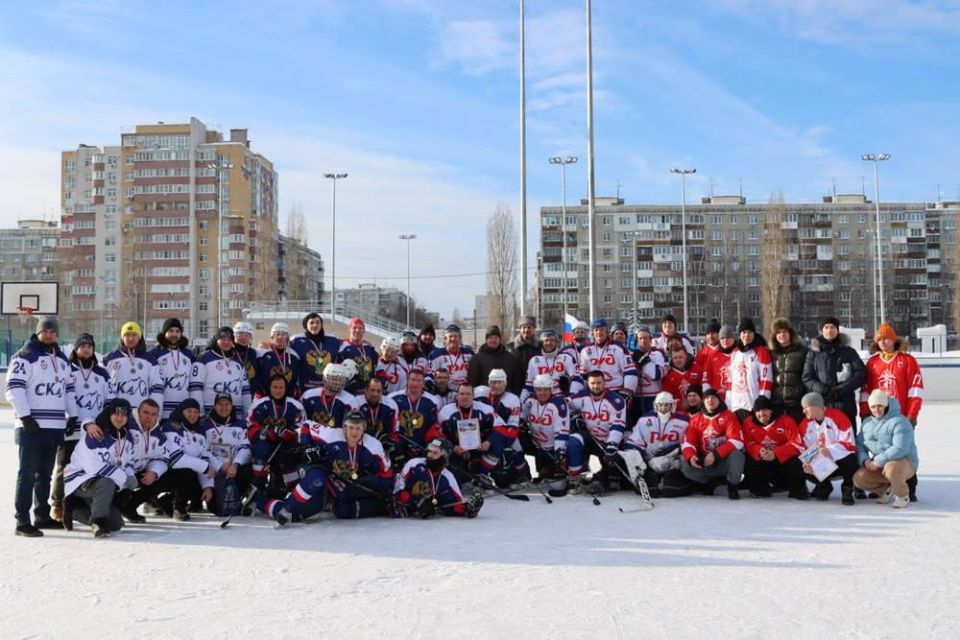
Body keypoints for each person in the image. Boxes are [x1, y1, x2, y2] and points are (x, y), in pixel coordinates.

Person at [5, 316, 73, 536]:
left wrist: (72, 416)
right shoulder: (25, 356)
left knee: (45, 475)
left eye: (53, 332)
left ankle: (42, 516)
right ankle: (22, 521)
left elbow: (69, 391)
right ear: (38, 332)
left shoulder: (62, 359)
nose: (49, 335)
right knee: (27, 473)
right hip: (31, 426)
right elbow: (14, 388)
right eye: (45, 331)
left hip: (54, 426)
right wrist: (25, 417)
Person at [264, 412, 394, 525]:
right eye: (351, 427)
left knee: (299, 516)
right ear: (344, 427)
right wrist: (307, 446)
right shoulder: (331, 435)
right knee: (317, 479)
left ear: (364, 429)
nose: (354, 432)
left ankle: (263, 502)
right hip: (320, 472)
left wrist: (388, 492)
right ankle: (285, 508)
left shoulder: (373, 446)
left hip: (342, 486)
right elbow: (307, 425)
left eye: (358, 428)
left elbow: (386, 473)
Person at [860, 322, 924, 501]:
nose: (883, 342)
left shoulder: (907, 360)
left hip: (901, 417)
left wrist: (912, 415)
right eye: (880, 339)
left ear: (894, 339)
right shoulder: (872, 363)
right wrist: (865, 412)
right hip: (878, 418)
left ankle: (910, 487)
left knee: (904, 449)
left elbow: (915, 390)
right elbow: (866, 390)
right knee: (879, 449)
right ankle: (882, 486)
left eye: (886, 338)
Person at [52, 333, 109, 523]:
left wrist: (101, 423)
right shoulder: (67, 370)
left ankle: (81, 504)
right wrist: (69, 418)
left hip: (94, 431)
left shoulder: (102, 373)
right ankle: (58, 504)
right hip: (72, 428)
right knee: (64, 466)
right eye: (82, 346)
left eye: (89, 346)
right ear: (76, 349)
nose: (86, 349)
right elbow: (61, 397)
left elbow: (109, 401)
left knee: (91, 467)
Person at [61, 399, 137, 537]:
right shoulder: (95, 433)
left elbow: (128, 462)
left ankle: (75, 510)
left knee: (116, 525)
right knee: (107, 482)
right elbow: (94, 467)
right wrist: (124, 478)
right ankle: (98, 522)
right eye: (116, 414)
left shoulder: (127, 437)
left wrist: (131, 475)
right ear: (109, 414)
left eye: (124, 415)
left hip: (103, 483)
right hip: (81, 479)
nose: (120, 418)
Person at [120, 398, 182, 524]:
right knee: (113, 520)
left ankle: (130, 506)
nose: (149, 417)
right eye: (146, 413)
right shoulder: (126, 426)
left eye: (153, 414)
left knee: (164, 478)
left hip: (139, 471)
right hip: (122, 471)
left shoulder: (158, 433)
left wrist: (154, 472)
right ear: (138, 411)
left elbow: (162, 458)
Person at [854, 390, 918, 509]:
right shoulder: (867, 423)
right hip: (880, 463)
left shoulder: (900, 421)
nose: (876, 410)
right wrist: (865, 461)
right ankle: (886, 490)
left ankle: (902, 495)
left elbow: (900, 448)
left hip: (904, 461)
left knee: (891, 468)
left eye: (880, 406)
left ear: (886, 405)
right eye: (873, 407)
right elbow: (859, 445)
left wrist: (877, 461)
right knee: (859, 478)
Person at [679, 388, 745, 500]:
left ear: (719, 400)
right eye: (707, 398)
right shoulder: (696, 419)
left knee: (737, 455)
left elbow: (737, 441)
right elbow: (688, 442)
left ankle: (732, 486)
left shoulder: (729, 416)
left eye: (713, 397)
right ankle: (709, 481)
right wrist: (691, 456)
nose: (710, 400)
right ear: (703, 401)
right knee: (684, 462)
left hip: (724, 460)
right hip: (704, 460)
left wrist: (716, 454)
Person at [567, 370, 628, 491]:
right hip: (592, 439)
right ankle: (575, 479)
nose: (596, 386)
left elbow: (617, 426)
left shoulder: (616, 401)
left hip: (611, 444)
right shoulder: (582, 397)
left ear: (604, 383)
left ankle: (606, 476)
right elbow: (563, 405)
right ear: (588, 384)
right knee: (574, 440)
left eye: (599, 383)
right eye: (592, 383)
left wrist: (612, 446)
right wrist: (574, 418)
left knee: (614, 482)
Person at [394, 439, 484, 518]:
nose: (430, 455)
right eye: (429, 451)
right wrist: (416, 503)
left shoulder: (448, 478)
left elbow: (452, 505)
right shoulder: (413, 464)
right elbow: (397, 490)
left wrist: (466, 508)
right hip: (397, 513)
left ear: (444, 457)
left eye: (435, 453)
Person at [803, 317, 866, 428]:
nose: (829, 330)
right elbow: (807, 377)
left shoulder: (848, 352)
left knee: (847, 438)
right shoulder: (813, 354)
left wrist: (840, 390)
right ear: (821, 330)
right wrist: (823, 390)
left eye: (832, 327)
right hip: (821, 404)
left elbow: (860, 374)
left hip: (845, 403)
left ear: (837, 330)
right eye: (826, 327)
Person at [249, 375, 307, 495]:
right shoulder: (258, 405)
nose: (278, 390)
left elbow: (302, 429)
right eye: (275, 387)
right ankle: (258, 485)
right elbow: (250, 430)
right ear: (269, 387)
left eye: (281, 387)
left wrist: (290, 434)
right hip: (265, 443)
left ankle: (293, 491)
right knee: (260, 450)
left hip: (285, 446)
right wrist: (268, 433)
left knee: (288, 456)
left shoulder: (296, 406)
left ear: (286, 388)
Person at [162, 398, 218, 519]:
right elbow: (176, 459)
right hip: (166, 474)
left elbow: (204, 458)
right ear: (181, 411)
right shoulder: (171, 426)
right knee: (186, 470)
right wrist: (205, 467)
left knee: (209, 493)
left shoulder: (199, 430)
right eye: (189, 411)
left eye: (196, 412)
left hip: (187, 476)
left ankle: (166, 501)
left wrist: (207, 486)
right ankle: (179, 507)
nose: (192, 415)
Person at [741, 396, 807, 499]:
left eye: (765, 410)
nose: (761, 413)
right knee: (749, 459)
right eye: (758, 410)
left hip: (782, 462)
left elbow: (797, 444)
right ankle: (759, 489)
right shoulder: (748, 422)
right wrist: (759, 450)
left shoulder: (786, 420)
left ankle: (797, 489)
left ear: (771, 410)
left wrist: (776, 453)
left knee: (796, 460)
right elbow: (747, 443)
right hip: (763, 460)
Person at [625, 391, 688, 497]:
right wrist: (642, 461)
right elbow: (634, 442)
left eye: (666, 405)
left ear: (673, 405)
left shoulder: (684, 422)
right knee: (650, 486)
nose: (663, 408)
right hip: (650, 461)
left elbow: (689, 443)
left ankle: (668, 480)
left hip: (673, 461)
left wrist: (674, 453)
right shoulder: (644, 420)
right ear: (655, 405)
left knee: (672, 485)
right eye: (660, 405)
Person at [798, 392, 857, 505]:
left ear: (816, 406)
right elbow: (804, 447)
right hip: (822, 462)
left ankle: (847, 488)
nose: (803, 411)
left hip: (840, 461)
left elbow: (850, 444)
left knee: (850, 458)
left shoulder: (838, 416)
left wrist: (829, 450)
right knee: (803, 466)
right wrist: (807, 462)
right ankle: (824, 486)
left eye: (806, 407)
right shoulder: (805, 424)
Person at [199, 394, 253, 516]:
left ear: (232, 406)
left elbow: (245, 448)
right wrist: (220, 466)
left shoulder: (240, 425)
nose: (223, 407)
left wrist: (235, 464)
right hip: (214, 471)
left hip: (233, 470)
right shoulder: (204, 425)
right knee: (216, 508)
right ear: (214, 406)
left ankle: (243, 500)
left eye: (227, 404)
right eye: (220, 404)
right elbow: (203, 450)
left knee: (249, 471)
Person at [473, 369, 526, 485]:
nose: (496, 385)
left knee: (516, 450)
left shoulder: (512, 400)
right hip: (482, 431)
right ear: (488, 382)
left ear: (505, 383)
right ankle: (479, 476)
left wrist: (499, 442)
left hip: (504, 431)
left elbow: (512, 429)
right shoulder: (478, 392)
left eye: (499, 382)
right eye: (493, 382)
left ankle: (524, 474)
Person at [190, 326, 251, 421]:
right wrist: (200, 413)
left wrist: (248, 414)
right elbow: (195, 388)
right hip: (209, 416)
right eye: (222, 339)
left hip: (235, 416)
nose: (226, 342)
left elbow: (245, 391)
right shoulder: (203, 359)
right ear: (216, 339)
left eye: (229, 339)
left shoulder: (238, 361)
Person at [438, 384, 497, 482]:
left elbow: (500, 429)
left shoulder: (486, 409)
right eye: (462, 394)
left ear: (473, 396)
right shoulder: (445, 411)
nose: (465, 397)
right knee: (458, 479)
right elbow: (437, 436)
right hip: (457, 451)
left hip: (479, 449)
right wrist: (452, 447)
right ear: (457, 396)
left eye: (468, 394)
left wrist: (489, 442)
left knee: (498, 443)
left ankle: (484, 474)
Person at [102, 321, 164, 413]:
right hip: (117, 414)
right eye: (127, 335)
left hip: (141, 414)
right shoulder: (109, 359)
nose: (131, 338)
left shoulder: (150, 360)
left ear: (140, 337)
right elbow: (104, 389)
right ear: (122, 337)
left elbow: (156, 389)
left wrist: (155, 415)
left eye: (134, 334)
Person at [519, 374, 570, 484]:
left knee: (556, 482)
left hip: (553, 447)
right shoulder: (530, 402)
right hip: (537, 445)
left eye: (545, 390)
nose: (542, 393)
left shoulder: (558, 403)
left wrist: (559, 451)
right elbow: (522, 417)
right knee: (516, 439)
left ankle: (557, 469)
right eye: (539, 390)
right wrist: (521, 423)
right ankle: (521, 473)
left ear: (551, 389)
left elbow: (562, 430)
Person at [388, 368, 442, 461]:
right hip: (398, 448)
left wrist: (430, 446)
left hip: (421, 447)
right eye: (413, 380)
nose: (415, 384)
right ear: (407, 381)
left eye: (419, 380)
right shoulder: (392, 398)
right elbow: (390, 426)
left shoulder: (433, 401)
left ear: (423, 383)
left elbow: (432, 427)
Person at [148, 318, 196, 420]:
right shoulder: (154, 354)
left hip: (184, 411)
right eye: (171, 331)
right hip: (162, 411)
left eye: (177, 331)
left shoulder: (189, 355)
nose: (174, 334)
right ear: (164, 332)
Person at [726, 317, 773, 421]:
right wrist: (728, 401)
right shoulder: (734, 353)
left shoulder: (761, 351)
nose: (746, 335)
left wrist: (762, 401)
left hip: (753, 405)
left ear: (754, 334)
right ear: (739, 334)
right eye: (744, 332)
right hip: (736, 405)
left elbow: (767, 379)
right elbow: (730, 380)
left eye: (750, 332)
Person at [580, 319, 638, 402]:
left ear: (607, 332)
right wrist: (579, 393)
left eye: (602, 330)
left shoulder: (618, 348)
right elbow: (583, 375)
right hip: (594, 393)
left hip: (615, 391)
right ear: (592, 333)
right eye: (596, 330)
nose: (599, 332)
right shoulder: (586, 350)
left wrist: (627, 391)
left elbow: (630, 371)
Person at [522, 329, 582, 401]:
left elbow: (577, 378)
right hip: (540, 398)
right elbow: (529, 384)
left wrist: (571, 395)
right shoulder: (534, 360)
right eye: (546, 340)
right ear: (541, 343)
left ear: (556, 342)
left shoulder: (566, 357)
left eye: (552, 340)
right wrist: (524, 400)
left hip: (560, 398)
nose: (549, 343)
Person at [768, 317, 808, 424]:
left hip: (796, 403)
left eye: (785, 331)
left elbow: (807, 376)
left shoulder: (802, 351)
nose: (782, 335)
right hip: (777, 403)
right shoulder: (771, 354)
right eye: (778, 332)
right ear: (775, 336)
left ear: (790, 333)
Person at [290, 312, 340, 392]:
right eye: (311, 323)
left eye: (317, 322)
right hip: (306, 388)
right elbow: (280, 344)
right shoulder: (296, 340)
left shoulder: (333, 340)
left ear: (321, 324)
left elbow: (348, 344)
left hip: (327, 388)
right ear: (306, 325)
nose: (315, 325)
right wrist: (267, 344)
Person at [468, 325, 521, 394]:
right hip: (485, 397)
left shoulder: (510, 357)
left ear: (500, 339)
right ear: (486, 339)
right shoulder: (476, 359)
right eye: (490, 338)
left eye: (496, 337)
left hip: (507, 396)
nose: (493, 340)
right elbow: (473, 382)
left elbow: (516, 379)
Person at [256, 322, 300, 399]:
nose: (280, 337)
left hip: (287, 398)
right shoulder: (261, 353)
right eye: (277, 334)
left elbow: (296, 379)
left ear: (287, 337)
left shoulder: (294, 356)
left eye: (283, 334)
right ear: (272, 336)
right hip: (264, 397)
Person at [356, 377, 399, 455]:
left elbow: (393, 433)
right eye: (372, 390)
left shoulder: (391, 405)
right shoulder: (356, 403)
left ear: (382, 392)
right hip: (360, 444)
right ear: (366, 390)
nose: (375, 394)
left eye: (378, 391)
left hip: (382, 445)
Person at [631, 325, 666, 418]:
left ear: (650, 339)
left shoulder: (657, 354)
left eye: (646, 338)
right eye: (640, 338)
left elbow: (657, 374)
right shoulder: (633, 356)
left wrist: (644, 362)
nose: (643, 341)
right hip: (637, 398)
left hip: (654, 397)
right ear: (637, 341)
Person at [338, 317, 379, 394]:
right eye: (354, 328)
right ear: (349, 329)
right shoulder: (341, 347)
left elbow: (378, 364)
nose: (357, 330)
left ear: (364, 331)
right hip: (350, 392)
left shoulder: (369, 347)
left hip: (368, 393)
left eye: (360, 328)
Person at [429, 324, 474, 391]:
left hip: (465, 391)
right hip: (445, 393)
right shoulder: (437, 355)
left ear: (460, 338)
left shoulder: (469, 354)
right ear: (445, 339)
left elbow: (475, 373)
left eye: (456, 336)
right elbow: (431, 374)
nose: (453, 339)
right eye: (450, 336)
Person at [702, 325, 736, 400]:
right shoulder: (713, 356)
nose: (725, 340)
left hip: (737, 397)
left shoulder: (740, 354)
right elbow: (706, 378)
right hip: (718, 399)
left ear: (733, 338)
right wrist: (707, 395)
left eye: (728, 337)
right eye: (722, 338)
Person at [508, 316, 541, 384]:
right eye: (524, 327)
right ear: (520, 329)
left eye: (529, 327)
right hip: (515, 387)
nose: (526, 330)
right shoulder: (510, 348)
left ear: (534, 329)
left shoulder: (540, 347)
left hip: (536, 386)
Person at [232, 321, 261, 396]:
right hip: (232, 394)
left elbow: (257, 374)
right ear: (234, 336)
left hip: (249, 395)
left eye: (247, 335)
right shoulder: (229, 352)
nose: (243, 337)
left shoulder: (253, 353)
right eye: (240, 334)